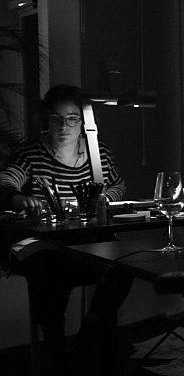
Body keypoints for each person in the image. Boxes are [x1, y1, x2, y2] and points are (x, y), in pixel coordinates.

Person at [0, 84, 131, 374]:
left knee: (122, 266)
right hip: (39, 245)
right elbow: (6, 181)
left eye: (72, 119)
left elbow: (118, 185)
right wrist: (20, 198)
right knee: (50, 269)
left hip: (84, 242)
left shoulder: (97, 153)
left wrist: (103, 199)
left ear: (82, 122)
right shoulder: (32, 154)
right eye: (56, 118)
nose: (64, 126)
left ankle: (87, 340)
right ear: (46, 120)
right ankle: (56, 351)